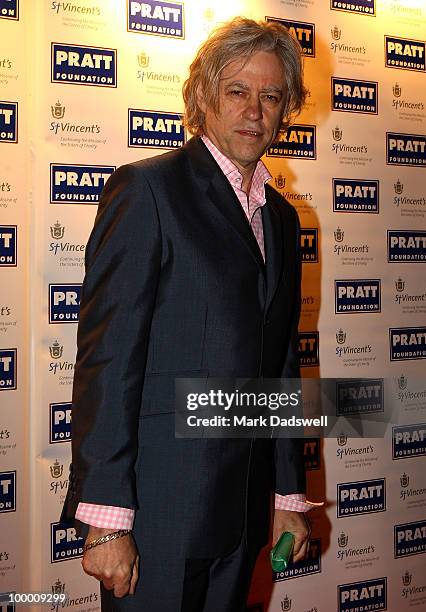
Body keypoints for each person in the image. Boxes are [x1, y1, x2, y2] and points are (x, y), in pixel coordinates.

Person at [62, 16, 316, 612]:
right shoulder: (148, 191)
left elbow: (277, 370)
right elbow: (108, 360)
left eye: (271, 96)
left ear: (287, 110)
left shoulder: (280, 219)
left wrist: (286, 494)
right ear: (203, 96)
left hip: (244, 515)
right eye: (237, 91)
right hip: (157, 517)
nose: (255, 110)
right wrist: (106, 520)